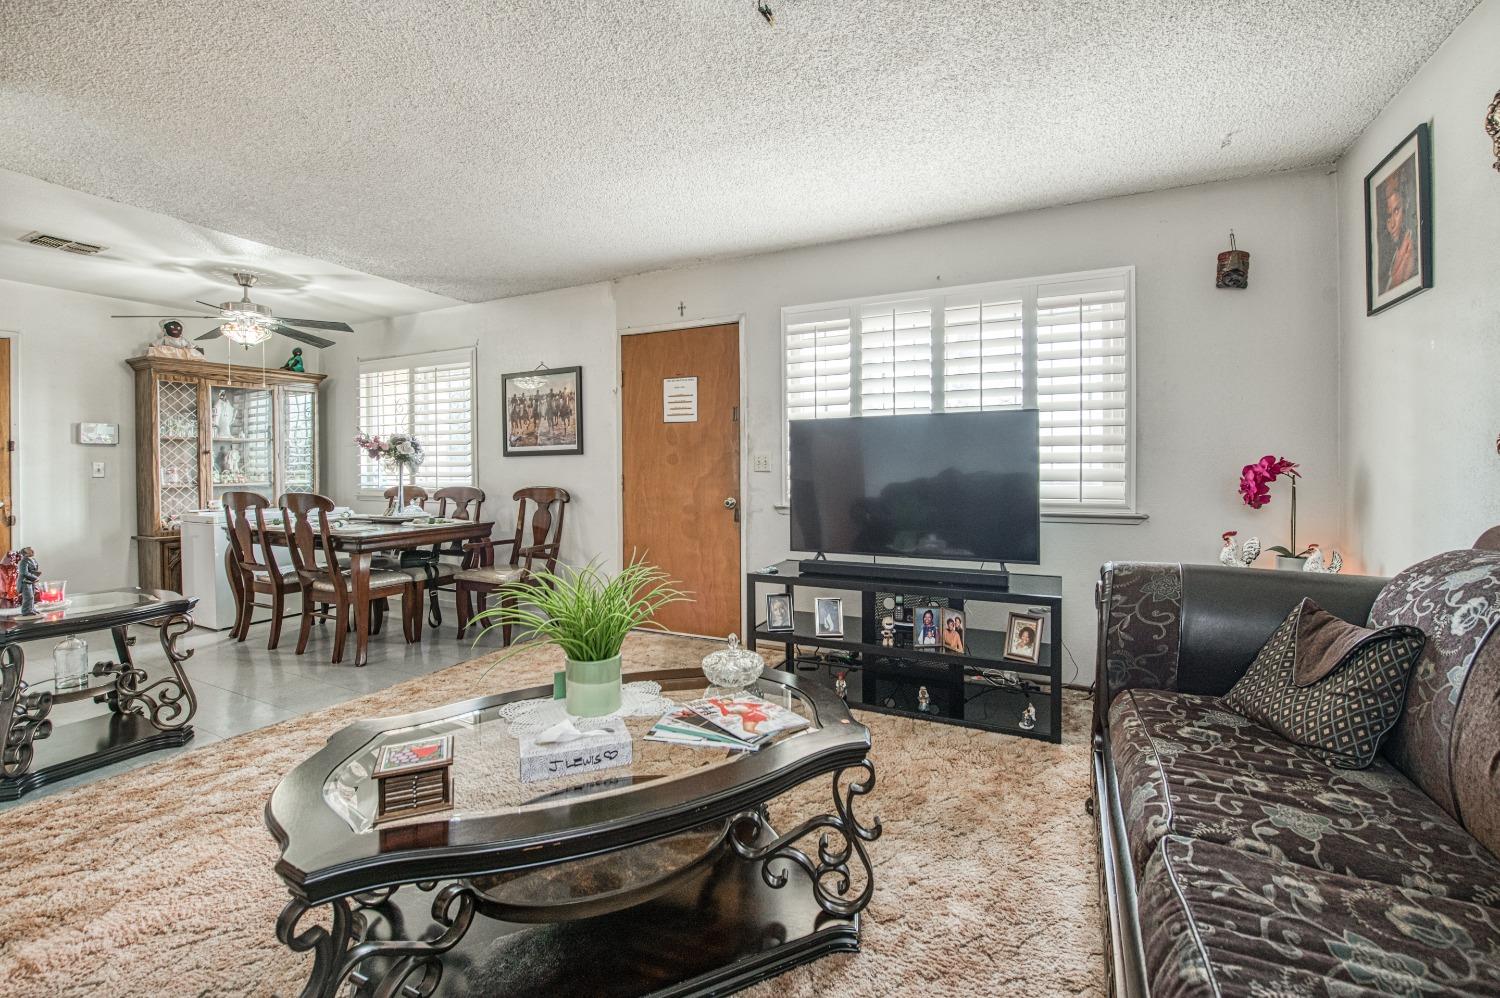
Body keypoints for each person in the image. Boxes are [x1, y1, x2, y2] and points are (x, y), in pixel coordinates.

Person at [1379, 167, 1418, 292]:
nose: (1392, 224)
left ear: (1405, 207)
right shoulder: (1394, 255)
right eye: (1388, 216)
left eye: (1396, 211)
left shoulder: (1411, 251)